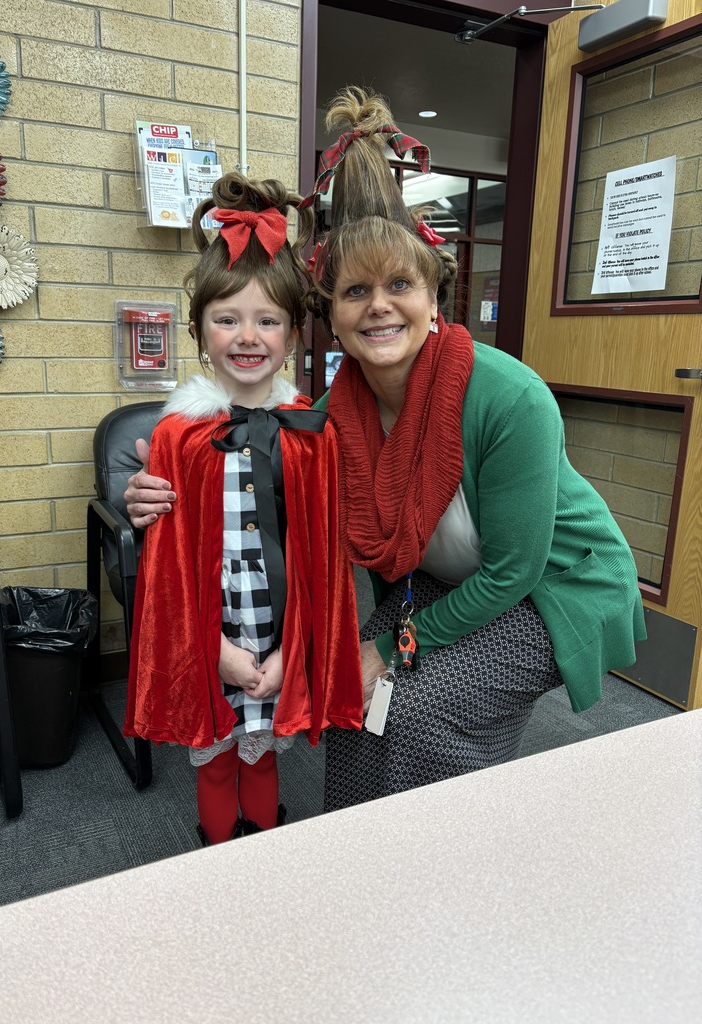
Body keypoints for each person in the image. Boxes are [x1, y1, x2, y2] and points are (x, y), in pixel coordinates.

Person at [125, 88, 646, 813]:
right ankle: (356, 841)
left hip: (550, 590)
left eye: (400, 284)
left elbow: (515, 569)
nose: (379, 305)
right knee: (347, 685)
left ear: (435, 298)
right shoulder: (337, 412)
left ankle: (434, 863)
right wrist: (154, 496)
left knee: (416, 710)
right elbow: (271, 500)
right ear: (330, 316)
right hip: (432, 580)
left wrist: (395, 649)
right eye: (354, 290)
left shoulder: (510, 397)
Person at [124, 171, 363, 842]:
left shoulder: (309, 432)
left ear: (292, 334)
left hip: (278, 633)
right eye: (227, 318)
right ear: (199, 331)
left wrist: (294, 652)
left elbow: (322, 557)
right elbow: (167, 568)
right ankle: (219, 862)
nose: (248, 335)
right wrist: (213, 650)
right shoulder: (178, 435)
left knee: (261, 760)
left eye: (268, 320)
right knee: (217, 761)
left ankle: (264, 866)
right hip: (213, 634)